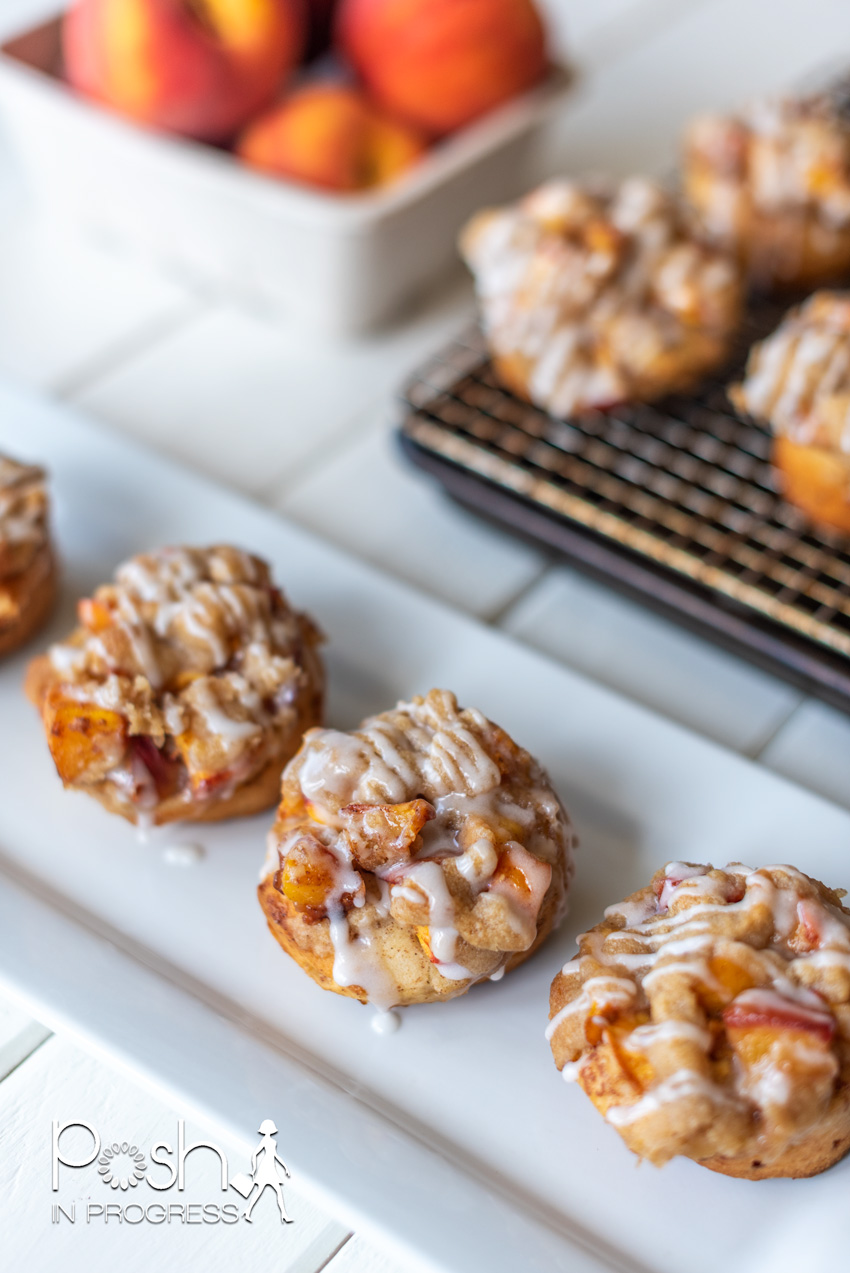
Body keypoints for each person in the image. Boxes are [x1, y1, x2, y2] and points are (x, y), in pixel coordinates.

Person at [243, 1119, 292, 1223]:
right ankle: (283, 1214)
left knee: (272, 1192)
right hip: (266, 1167)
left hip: (270, 1166)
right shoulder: (265, 1141)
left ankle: (283, 1214)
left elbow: (275, 1156)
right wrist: (254, 1169)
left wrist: (285, 1167)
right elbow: (255, 1154)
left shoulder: (273, 1142)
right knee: (266, 1191)